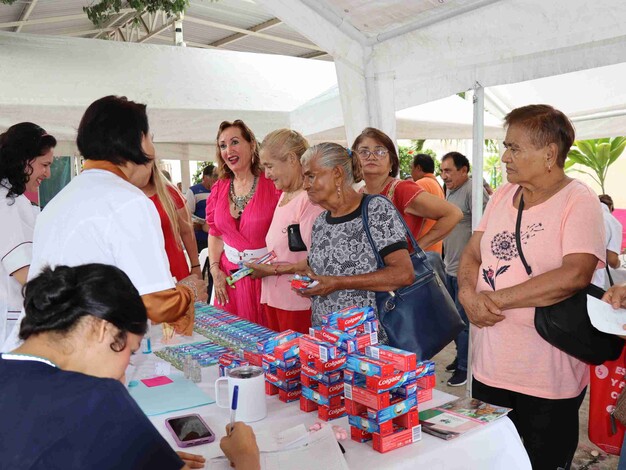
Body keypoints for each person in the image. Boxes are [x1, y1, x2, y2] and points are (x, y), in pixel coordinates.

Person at [457, 104, 605, 470]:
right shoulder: (503, 196)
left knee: (542, 463)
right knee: (491, 461)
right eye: (505, 146)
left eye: (514, 148)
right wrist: (466, 294)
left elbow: (575, 274)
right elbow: (473, 252)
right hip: (490, 366)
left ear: (549, 154)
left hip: (546, 376)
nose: (505, 157)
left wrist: (494, 299)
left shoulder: (578, 200)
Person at [0, 263, 259, 470]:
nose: (124, 376)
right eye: (131, 353)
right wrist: (247, 458)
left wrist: (134, 452)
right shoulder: (96, 398)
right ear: (104, 331)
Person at [2, 96, 206, 352]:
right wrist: (189, 293)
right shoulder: (129, 200)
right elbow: (156, 303)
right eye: (150, 138)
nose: (153, 150)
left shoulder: (61, 200)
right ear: (137, 141)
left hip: (36, 351)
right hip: (77, 357)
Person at [298, 143, 414, 344]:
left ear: (337, 174)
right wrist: (308, 281)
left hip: (369, 344)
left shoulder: (375, 210)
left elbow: (404, 274)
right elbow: (323, 270)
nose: (305, 185)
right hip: (327, 342)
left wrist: (337, 283)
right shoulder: (320, 222)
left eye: (311, 176)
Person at [244, 129, 323, 333]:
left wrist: (271, 270)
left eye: (270, 166)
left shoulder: (309, 200)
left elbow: (317, 260)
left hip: (297, 304)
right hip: (276, 299)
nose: (267, 174)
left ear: (291, 159)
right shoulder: (286, 195)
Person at [206, 120, 280, 326]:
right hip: (228, 281)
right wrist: (214, 270)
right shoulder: (219, 187)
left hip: (265, 278)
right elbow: (215, 232)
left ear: (252, 144)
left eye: (235, 142)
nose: (228, 150)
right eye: (222, 145)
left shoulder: (272, 183)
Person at [353, 128, 461, 256]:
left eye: (380, 151)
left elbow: (453, 213)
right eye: (364, 152)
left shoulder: (401, 189)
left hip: (400, 273)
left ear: (392, 162)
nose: (371, 157)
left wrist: (415, 249)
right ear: (355, 159)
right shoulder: (360, 193)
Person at [0, 123, 56, 343]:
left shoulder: (11, 198)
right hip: (11, 324)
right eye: (44, 164)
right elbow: (24, 272)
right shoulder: (8, 203)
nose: (48, 173)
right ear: (24, 160)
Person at [440, 151, 490, 387]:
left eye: (449, 170)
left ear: (464, 170)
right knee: (453, 320)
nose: (444, 175)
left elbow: (485, 228)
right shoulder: (449, 189)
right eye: (442, 170)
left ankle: (464, 367)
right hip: (449, 266)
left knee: (463, 319)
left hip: (464, 270)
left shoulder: (472, 189)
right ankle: (461, 356)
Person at [142, 165, 201, 281]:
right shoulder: (123, 196)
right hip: (142, 270)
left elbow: (187, 231)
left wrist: (195, 266)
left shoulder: (169, 192)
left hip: (174, 266)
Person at [411, 153, 446, 254]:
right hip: (434, 245)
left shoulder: (421, 184)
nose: (411, 172)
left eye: (411, 168)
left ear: (418, 168)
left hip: (423, 247)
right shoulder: (436, 184)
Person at [592, 194, 623, 289]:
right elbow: (612, 260)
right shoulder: (612, 222)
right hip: (593, 281)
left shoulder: (582, 215)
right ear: (610, 207)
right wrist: (619, 264)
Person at [186, 164, 217, 254]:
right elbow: (188, 214)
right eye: (214, 176)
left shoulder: (219, 190)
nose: (216, 179)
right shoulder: (193, 191)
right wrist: (203, 223)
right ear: (205, 177)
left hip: (216, 236)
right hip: (200, 237)